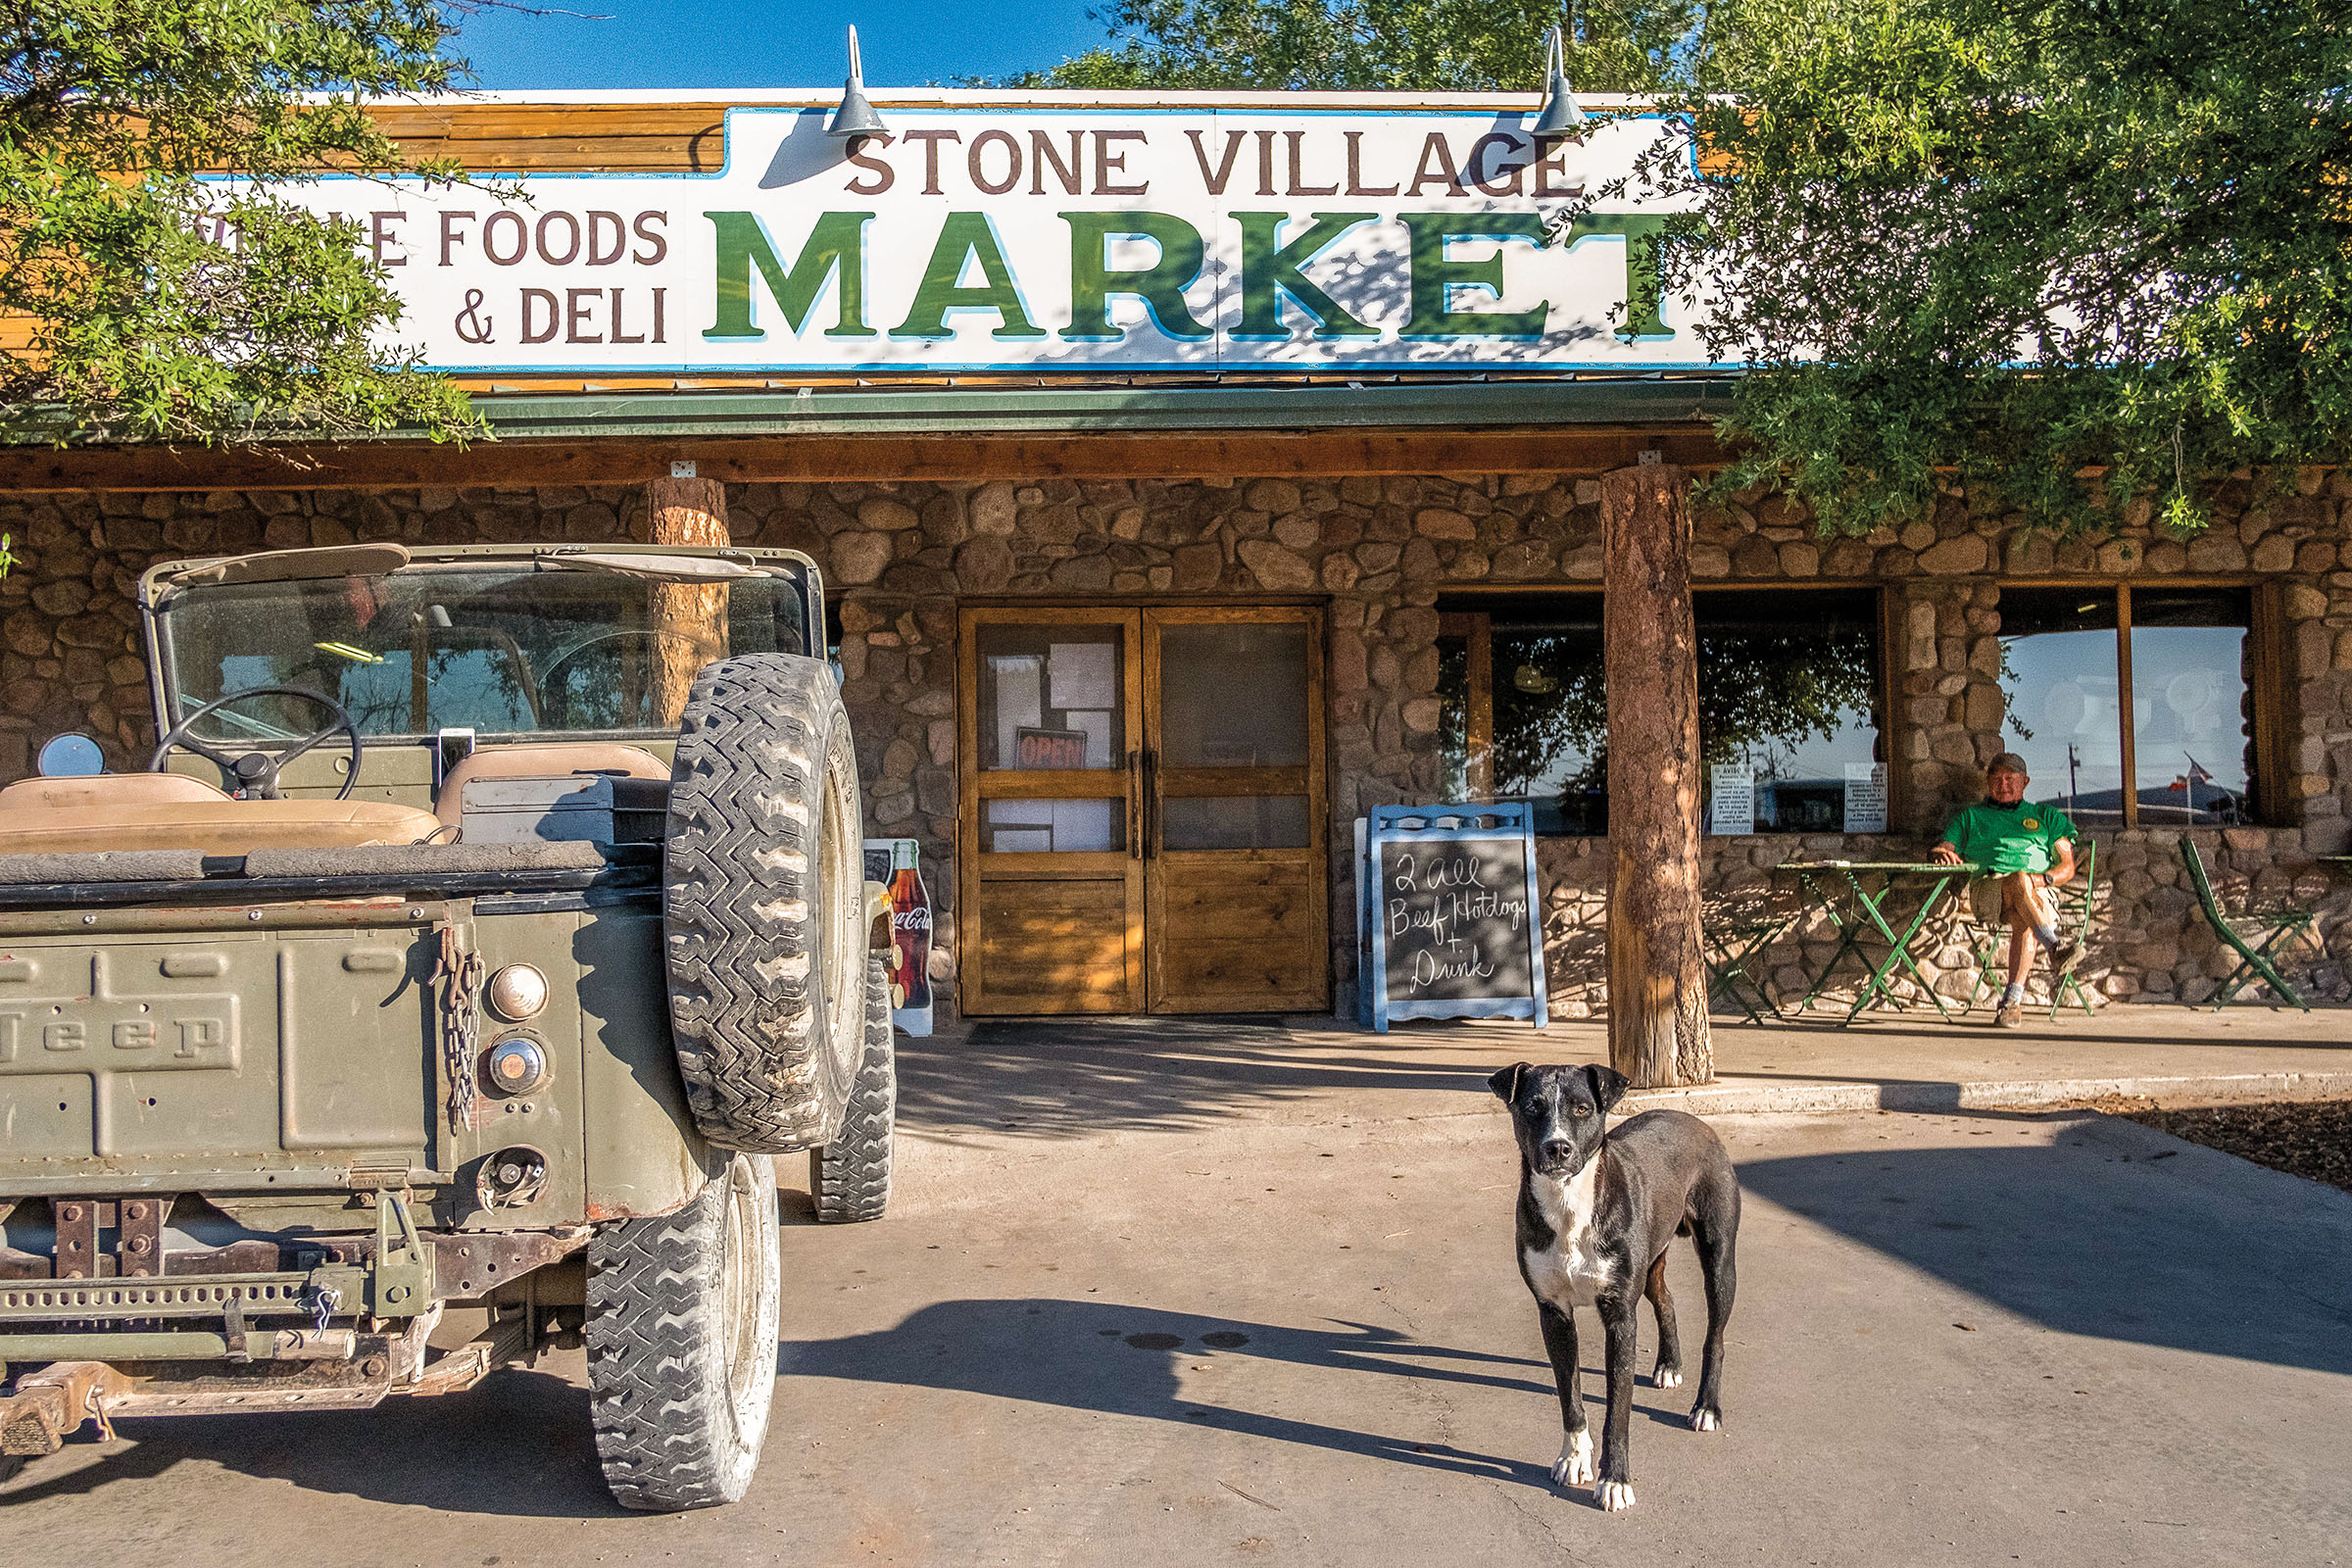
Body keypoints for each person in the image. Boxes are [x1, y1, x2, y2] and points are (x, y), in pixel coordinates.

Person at [1930, 753, 2082, 1027]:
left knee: (2022, 911)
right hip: (1989, 890)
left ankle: (2011, 1003)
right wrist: (1940, 852)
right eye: (1997, 779)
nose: (2003, 785)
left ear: (2025, 782)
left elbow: (2067, 867)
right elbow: (1945, 847)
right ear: (1988, 782)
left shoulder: (2046, 816)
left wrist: (2041, 880)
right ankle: (2053, 946)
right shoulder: (1971, 817)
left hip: (2039, 892)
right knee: (2018, 883)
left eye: (2010, 779)